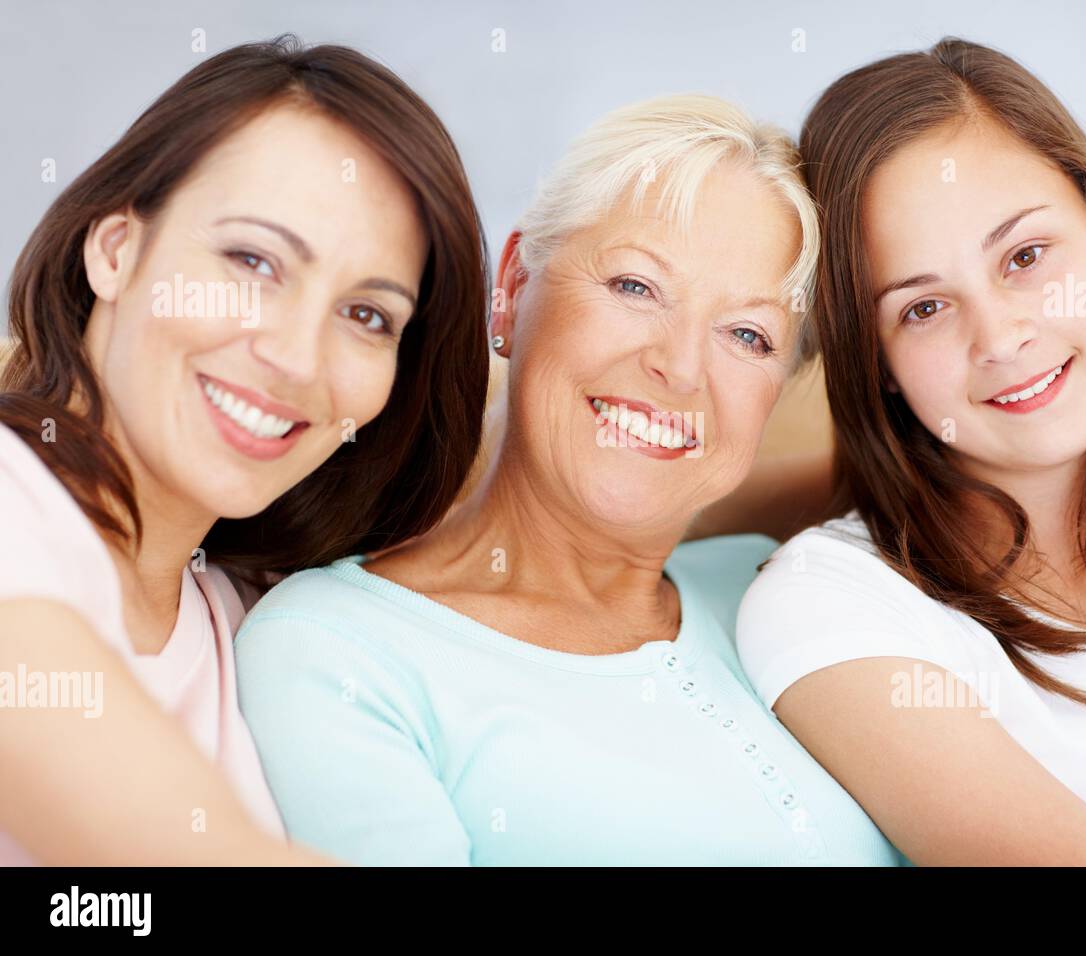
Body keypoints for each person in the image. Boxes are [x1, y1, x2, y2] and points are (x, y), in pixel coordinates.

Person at [234, 94, 902, 865]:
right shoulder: (335, 649)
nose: (679, 368)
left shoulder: (785, 590)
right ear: (514, 286)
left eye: (747, 334)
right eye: (634, 286)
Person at [736, 37, 1086, 866]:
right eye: (922, 309)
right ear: (877, 364)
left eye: (1026, 257)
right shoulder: (836, 604)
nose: (1001, 337)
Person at [0, 35, 489, 865]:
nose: (297, 360)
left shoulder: (246, 612)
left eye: (368, 316)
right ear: (116, 250)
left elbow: (558, 480)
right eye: (254, 261)